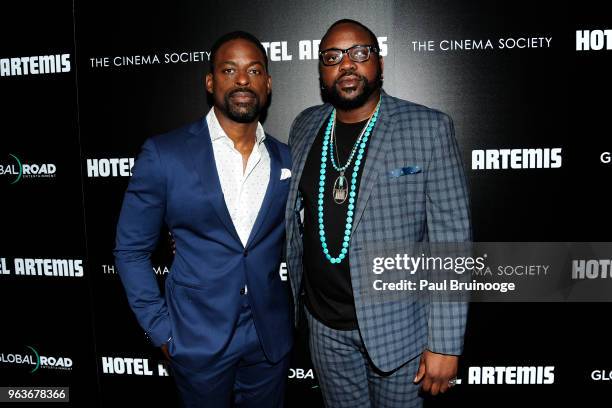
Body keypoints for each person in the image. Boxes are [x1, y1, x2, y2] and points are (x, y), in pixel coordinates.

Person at [285, 19, 471, 407]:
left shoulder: (428, 128)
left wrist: (445, 343)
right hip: (324, 330)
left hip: (400, 331)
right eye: (333, 57)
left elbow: (452, 241)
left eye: (359, 53)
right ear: (322, 71)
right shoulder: (305, 126)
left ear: (379, 63)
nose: (347, 64)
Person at [114, 31, 292, 408]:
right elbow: (130, 250)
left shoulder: (287, 158)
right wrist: (161, 330)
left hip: (269, 337)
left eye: (254, 70)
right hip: (196, 338)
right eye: (229, 69)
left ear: (268, 83)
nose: (242, 79)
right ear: (211, 82)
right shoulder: (165, 154)